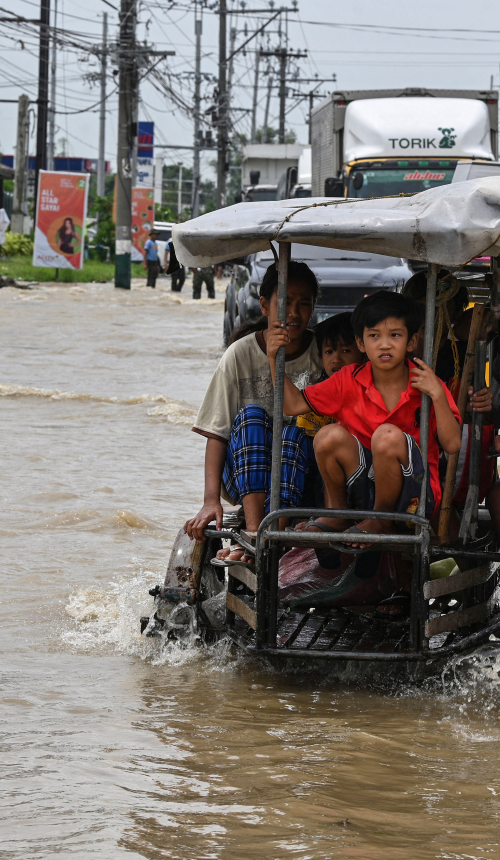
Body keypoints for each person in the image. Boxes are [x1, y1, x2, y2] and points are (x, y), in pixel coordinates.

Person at [266, 289, 462, 614]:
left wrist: (438, 395)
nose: (385, 344)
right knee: (328, 435)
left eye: (395, 335)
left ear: (411, 342)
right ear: (362, 344)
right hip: (364, 490)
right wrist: (275, 357)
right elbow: (292, 404)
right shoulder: (348, 379)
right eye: (375, 336)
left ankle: (381, 522)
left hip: (416, 495)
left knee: (385, 436)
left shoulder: (426, 382)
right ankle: (337, 513)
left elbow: (453, 445)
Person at [184, 261, 324, 563]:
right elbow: (217, 432)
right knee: (252, 418)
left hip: (303, 477)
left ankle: (278, 532)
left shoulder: (321, 353)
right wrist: (210, 500)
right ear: (264, 305)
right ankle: (252, 533)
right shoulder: (240, 353)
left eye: (304, 305)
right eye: (285, 303)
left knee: (293, 432)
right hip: (245, 477)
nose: (294, 314)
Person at [297, 311, 365, 438]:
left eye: (345, 351)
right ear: (320, 357)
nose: (336, 359)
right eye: (329, 352)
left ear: (364, 354)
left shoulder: (369, 391)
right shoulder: (316, 395)